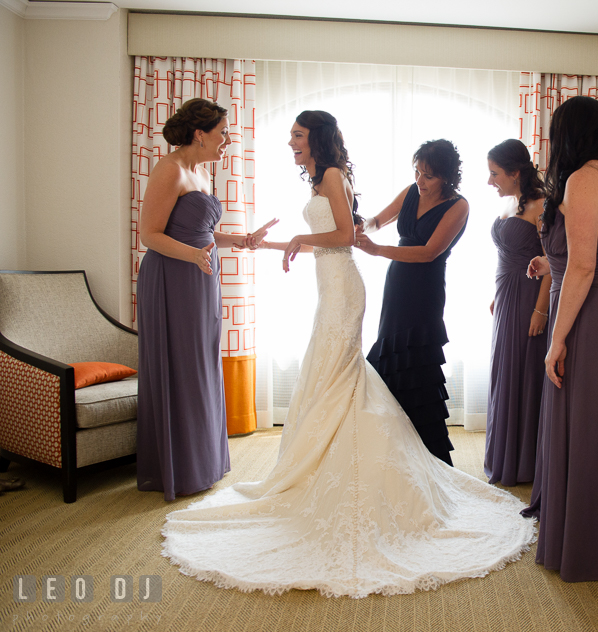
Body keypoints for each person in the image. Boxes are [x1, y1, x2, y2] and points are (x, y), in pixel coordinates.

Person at [161, 112, 535, 597]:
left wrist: (346, 244)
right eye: (417, 169)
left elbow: (370, 241)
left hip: (379, 288)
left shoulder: (428, 199)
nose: (420, 177)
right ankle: (336, 455)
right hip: (348, 283)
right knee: (343, 373)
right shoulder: (348, 182)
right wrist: (266, 241)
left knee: (362, 372)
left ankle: (397, 458)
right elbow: (356, 226)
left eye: (297, 135)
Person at [520, 96, 598, 583]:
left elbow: (586, 265)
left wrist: (557, 338)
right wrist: (549, 264)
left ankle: (590, 547)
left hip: (596, 311)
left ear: (565, 135)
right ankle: (596, 537)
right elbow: (592, 254)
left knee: (589, 421)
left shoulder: (582, 178)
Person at [137, 98, 270, 501]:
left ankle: (201, 464)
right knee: (181, 365)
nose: (227, 140)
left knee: (200, 364)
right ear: (200, 134)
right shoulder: (170, 169)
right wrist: (193, 255)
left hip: (199, 277)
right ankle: (176, 468)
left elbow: (204, 234)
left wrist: (242, 240)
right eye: (223, 133)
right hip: (170, 279)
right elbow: (150, 235)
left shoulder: (201, 174)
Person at [356, 140, 469, 466]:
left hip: (425, 288)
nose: (420, 181)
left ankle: (426, 456)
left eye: (428, 176)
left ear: (446, 177)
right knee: (390, 352)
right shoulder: (410, 192)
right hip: (398, 283)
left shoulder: (458, 206)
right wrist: (364, 227)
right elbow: (380, 219)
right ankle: (389, 445)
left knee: (417, 360)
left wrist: (377, 250)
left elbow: (429, 252)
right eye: (417, 172)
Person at [484, 139, 550, 486]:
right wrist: (498, 293)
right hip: (507, 296)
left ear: (515, 172)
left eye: (495, 174)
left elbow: (553, 262)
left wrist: (541, 310)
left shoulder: (542, 204)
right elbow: (506, 255)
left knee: (522, 372)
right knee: (504, 371)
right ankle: (503, 456)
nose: (490, 181)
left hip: (529, 298)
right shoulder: (511, 201)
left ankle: (523, 463)